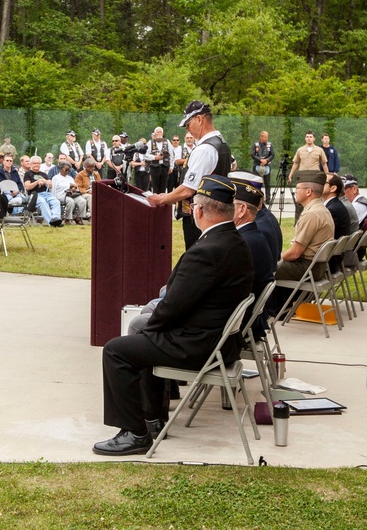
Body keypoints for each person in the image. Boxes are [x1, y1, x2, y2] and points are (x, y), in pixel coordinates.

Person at [94, 175, 254, 456]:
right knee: (143, 340)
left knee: (117, 351)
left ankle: (135, 432)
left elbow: (172, 307)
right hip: (217, 341)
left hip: (196, 344)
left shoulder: (207, 250)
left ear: (199, 210)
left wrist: (150, 329)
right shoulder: (236, 242)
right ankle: (152, 419)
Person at [147, 101, 231, 250]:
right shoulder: (220, 142)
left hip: (200, 216)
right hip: (215, 214)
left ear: (199, 119)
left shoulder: (205, 149)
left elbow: (188, 189)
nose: (187, 129)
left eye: (188, 124)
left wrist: (162, 199)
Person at [273, 170, 335, 307]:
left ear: (308, 192)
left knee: (262, 269)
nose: (295, 191)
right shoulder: (321, 209)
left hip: (307, 268)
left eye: (297, 188)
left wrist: (278, 259)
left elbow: (295, 253)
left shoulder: (311, 214)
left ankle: (266, 311)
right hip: (316, 267)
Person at [230, 174, 275, 336]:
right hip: (248, 317)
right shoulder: (252, 235)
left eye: (228, 205)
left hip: (238, 323)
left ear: (241, 210)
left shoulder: (243, 243)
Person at [322, 173, 351, 272]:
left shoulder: (332, 209)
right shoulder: (335, 205)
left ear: (333, 188)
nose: (318, 183)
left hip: (328, 263)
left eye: (322, 181)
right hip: (334, 260)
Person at [23, 156, 64, 227]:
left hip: (46, 194)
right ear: (31, 164)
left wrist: (45, 182)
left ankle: (56, 219)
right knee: (43, 203)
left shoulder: (44, 174)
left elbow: (51, 186)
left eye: (38, 163)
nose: (36, 165)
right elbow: (28, 187)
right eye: (34, 163)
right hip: (35, 195)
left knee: (56, 202)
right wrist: (37, 182)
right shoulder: (28, 174)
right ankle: (51, 223)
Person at [250, 131, 274, 202]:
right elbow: (253, 155)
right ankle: (257, 198)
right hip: (257, 165)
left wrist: (266, 160)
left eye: (267, 137)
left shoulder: (269, 145)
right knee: (257, 183)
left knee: (267, 183)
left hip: (267, 166)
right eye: (265, 137)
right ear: (261, 137)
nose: (266, 138)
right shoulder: (255, 145)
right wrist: (260, 160)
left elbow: (272, 154)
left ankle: (268, 199)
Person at [147, 127, 171, 194]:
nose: (159, 133)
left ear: (163, 133)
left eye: (160, 131)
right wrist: (154, 157)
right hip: (154, 167)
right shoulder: (150, 142)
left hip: (165, 167)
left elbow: (171, 155)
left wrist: (171, 167)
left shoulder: (167, 142)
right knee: (155, 187)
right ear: (154, 134)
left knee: (163, 187)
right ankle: (156, 203)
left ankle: (162, 202)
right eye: (157, 132)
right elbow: (145, 155)